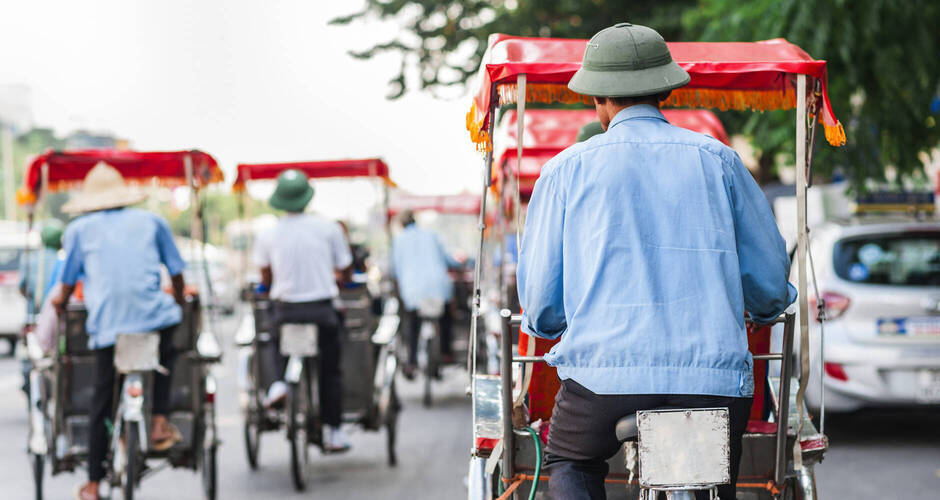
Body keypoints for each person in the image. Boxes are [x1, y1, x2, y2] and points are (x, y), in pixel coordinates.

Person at [517, 23, 795, 500]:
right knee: (710, 479)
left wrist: (552, 324)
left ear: (598, 99)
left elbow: (542, 307)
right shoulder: (720, 161)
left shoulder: (565, 170)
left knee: (571, 461)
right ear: (666, 88)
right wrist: (763, 310)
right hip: (712, 382)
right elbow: (770, 285)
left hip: (603, 382)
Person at [51, 163, 186, 500]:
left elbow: (66, 286)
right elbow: (177, 273)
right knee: (169, 352)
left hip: (108, 328)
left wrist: (59, 302)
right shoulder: (153, 222)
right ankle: (159, 421)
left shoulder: (79, 230)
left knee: (102, 400)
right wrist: (181, 300)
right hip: (154, 319)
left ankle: (94, 484)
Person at [253, 169, 353, 452]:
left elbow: (266, 279)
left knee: (274, 341)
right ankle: (333, 430)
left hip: (286, 311)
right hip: (322, 311)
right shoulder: (328, 228)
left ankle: (278, 384)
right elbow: (345, 269)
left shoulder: (268, 233)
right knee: (330, 369)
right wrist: (339, 278)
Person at [390, 210, 459, 378]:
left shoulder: (398, 240)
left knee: (411, 323)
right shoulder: (432, 235)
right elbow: (448, 259)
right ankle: (445, 352)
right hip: (438, 288)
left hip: (413, 292)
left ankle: (412, 362)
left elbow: (395, 271)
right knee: (445, 317)